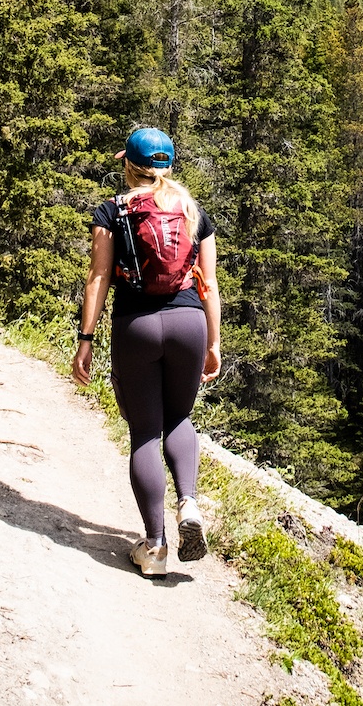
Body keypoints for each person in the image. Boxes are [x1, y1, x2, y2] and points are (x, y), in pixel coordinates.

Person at [71, 126, 222, 577]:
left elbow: (98, 277)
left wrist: (86, 339)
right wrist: (213, 342)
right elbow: (209, 283)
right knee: (179, 418)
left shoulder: (111, 211)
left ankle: (155, 547)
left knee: (144, 434)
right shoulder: (193, 211)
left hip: (135, 326)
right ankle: (189, 504)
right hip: (188, 323)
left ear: (128, 166)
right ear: (168, 165)